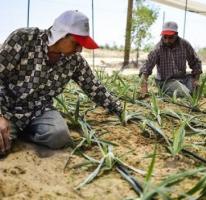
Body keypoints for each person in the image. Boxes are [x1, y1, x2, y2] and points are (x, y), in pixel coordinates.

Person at [0, 10, 122, 156]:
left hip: (38, 110)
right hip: (7, 107)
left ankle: (24, 133)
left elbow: (94, 88)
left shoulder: (74, 61)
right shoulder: (23, 39)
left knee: (59, 135)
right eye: (76, 43)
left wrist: (119, 108)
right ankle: (14, 130)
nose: (80, 49)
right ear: (63, 35)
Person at [139, 21, 202, 98]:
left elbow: (195, 61)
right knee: (184, 93)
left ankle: (186, 91)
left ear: (176, 35)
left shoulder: (185, 45)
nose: (167, 40)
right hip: (166, 81)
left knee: (197, 90)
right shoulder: (157, 49)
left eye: (171, 37)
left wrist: (196, 80)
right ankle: (169, 93)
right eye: (165, 37)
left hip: (183, 78)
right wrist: (143, 86)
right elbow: (146, 67)